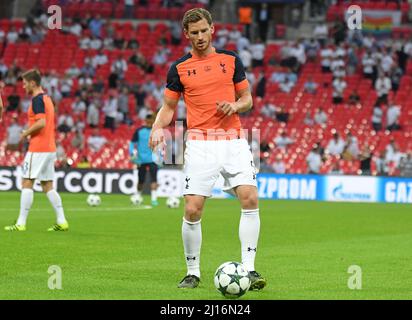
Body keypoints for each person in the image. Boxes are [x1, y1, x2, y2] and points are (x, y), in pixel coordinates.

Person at [148, 8, 266, 291]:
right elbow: (169, 107)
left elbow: (247, 98)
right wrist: (157, 128)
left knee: (249, 199)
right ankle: (192, 272)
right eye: (194, 33)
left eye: (204, 31)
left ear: (212, 29)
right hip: (200, 143)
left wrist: (235, 106)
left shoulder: (230, 60)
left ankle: (249, 270)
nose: (200, 37)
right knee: (192, 209)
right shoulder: (179, 68)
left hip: (234, 140)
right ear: (186, 34)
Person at [4, 69, 69, 232]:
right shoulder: (48, 99)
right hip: (49, 148)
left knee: (27, 182)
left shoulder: (37, 100)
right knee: (47, 185)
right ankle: (62, 221)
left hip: (38, 148)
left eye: (25, 83)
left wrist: (25, 133)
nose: (23, 86)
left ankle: (21, 223)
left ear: (33, 83)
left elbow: (41, 123)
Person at [129, 113, 159, 207]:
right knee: (140, 180)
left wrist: (161, 157)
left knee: (154, 179)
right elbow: (132, 143)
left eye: (151, 121)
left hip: (153, 160)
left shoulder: (156, 131)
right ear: (146, 121)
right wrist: (132, 154)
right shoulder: (139, 131)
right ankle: (138, 196)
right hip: (141, 160)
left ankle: (154, 199)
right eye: (148, 121)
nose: (150, 122)